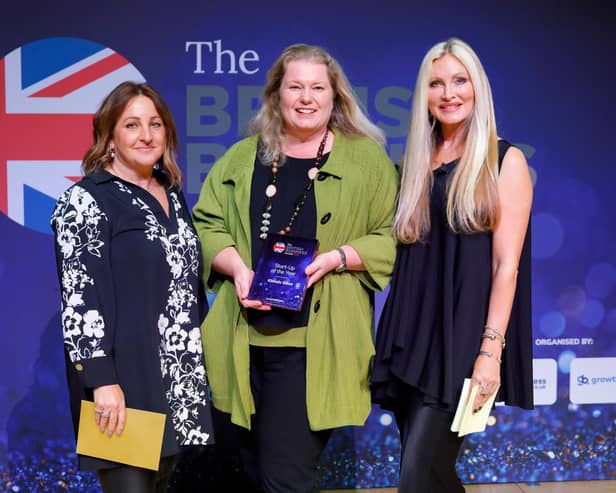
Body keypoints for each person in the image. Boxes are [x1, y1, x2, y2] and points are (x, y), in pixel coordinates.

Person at [191, 43, 398, 493]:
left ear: (335, 96)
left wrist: (338, 258)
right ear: (276, 95)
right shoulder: (242, 158)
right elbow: (205, 225)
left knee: (284, 479)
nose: (306, 98)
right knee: (245, 472)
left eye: (318, 87)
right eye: (295, 87)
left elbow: (392, 235)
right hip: (240, 340)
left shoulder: (366, 161)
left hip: (312, 346)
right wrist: (238, 269)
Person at [371, 38, 534, 492]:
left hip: (464, 344)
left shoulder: (506, 161)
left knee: (417, 477)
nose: (449, 93)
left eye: (459, 81)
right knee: (434, 476)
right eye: (436, 83)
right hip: (411, 338)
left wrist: (489, 352)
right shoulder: (412, 166)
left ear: (477, 88)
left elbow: (506, 267)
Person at [50, 81, 214, 493]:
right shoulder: (84, 201)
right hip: (121, 386)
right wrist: (102, 381)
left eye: (155, 124)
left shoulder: (173, 196)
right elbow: (80, 301)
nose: (146, 135)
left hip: (178, 382)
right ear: (109, 137)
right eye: (132, 125)